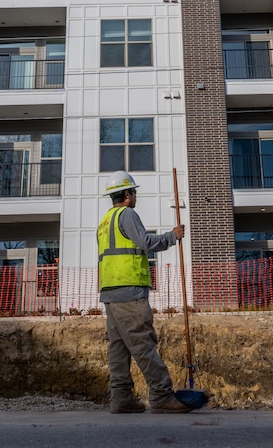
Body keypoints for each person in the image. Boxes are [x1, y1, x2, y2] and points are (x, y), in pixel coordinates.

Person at [98, 170, 192, 414]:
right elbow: (146, 243)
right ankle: (161, 395)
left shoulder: (105, 220)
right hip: (129, 292)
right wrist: (172, 236)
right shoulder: (127, 214)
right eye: (134, 192)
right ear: (127, 194)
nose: (135, 196)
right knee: (143, 345)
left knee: (118, 349)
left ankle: (121, 398)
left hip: (111, 293)